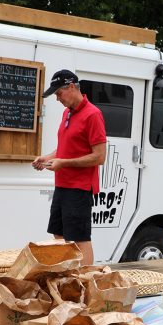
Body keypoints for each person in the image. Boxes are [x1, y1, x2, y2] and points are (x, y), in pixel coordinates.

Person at [32, 70, 106, 266]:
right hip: (62, 185)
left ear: (71, 87)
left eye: (58, 94)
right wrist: (46, 158)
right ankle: (66, 280)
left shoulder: (93, 114)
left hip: (80, 187)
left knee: (80, 238)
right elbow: (66, 147)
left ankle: (86, 282)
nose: (57, 99)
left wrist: (63, 163)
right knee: (59, 235)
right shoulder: (67, 112)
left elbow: (100, 157)